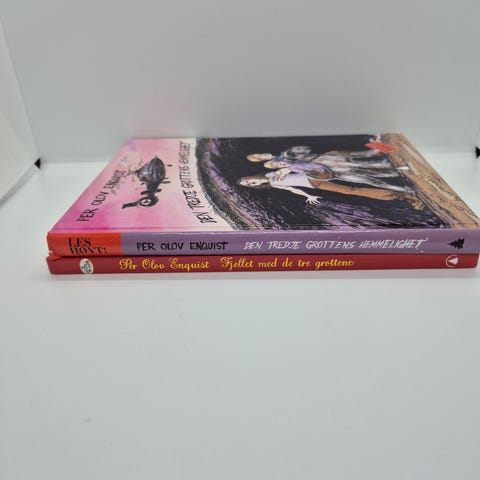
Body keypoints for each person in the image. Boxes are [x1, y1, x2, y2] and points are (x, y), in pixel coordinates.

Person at [237, 171, 423, 209]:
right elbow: (292, 189)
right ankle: (404, 196)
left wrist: (281, 172)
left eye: (248, 180)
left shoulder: (270, 175)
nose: (251, 182)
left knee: (353, 180)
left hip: (316, 175)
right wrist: (308, 195)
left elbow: (286, 168)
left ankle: (402, 187)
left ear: (252, 176)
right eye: (249, 185)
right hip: (314, 185)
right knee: (351, 190)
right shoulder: (273, 184)